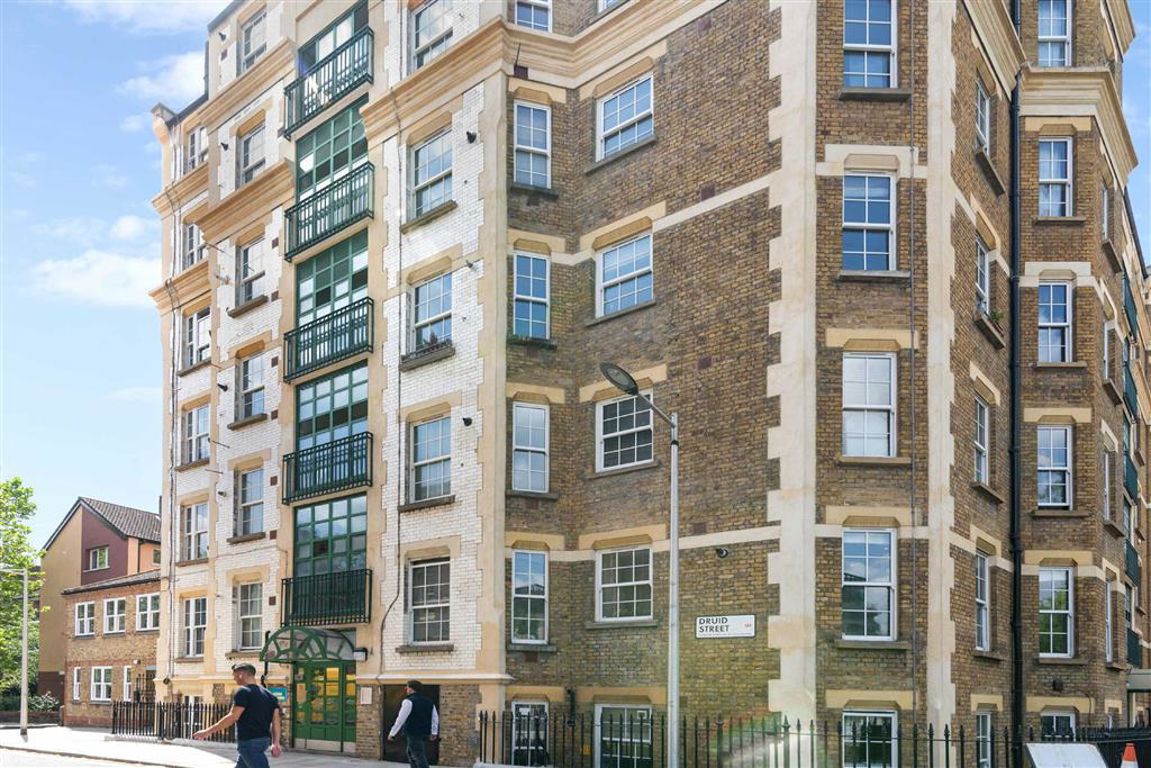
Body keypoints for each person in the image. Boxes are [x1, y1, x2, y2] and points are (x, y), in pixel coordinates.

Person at [192, 663, 282, 768]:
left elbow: (233, 717)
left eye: (234, 675)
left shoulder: (243, 692)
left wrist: (207, 731)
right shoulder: (270, 695)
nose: (233, 678)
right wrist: (276, 742)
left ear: (241, 674)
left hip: (249, 742)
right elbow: (276, 721)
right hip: (263, 741)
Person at [388, 680, 440, 768]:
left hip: (413, 732)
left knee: (418, 755)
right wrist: (434, 732)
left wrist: (392, 733)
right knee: (411, 753)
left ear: (411, 689)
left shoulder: (408, 701)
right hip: (424, 732)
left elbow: (400, 718)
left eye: (407, 687)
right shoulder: (429, 702)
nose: (406, 689)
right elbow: (435, 718)